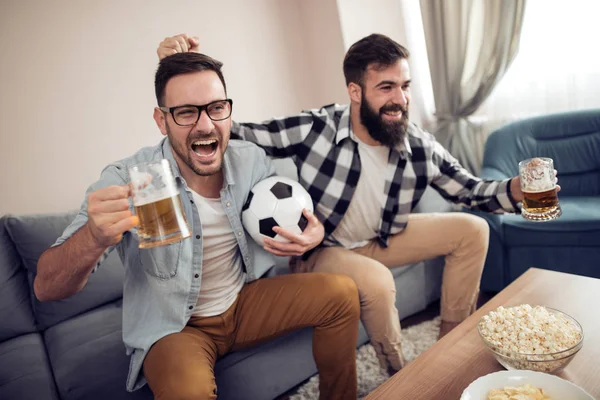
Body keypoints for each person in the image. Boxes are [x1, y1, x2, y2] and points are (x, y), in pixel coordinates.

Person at [157, 33, 558, 374]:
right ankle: (399, 370)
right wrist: (183, 75)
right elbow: (235, 131)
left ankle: (448, 347)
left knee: (472, 228)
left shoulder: (417, 143)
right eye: (386, 87)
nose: (400, 98)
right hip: (325, 249)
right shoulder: (317, 127)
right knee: (378, 282)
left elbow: (470, 190)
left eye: (405, 86)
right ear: (355, 91)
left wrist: (517, 189)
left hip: (383, 237)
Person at [34, 52, 360, 400]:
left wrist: (314, 235)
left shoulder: (249, 159)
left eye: (216, 108)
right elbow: (46, 288)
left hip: (243, 301)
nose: (205, 125)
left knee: (341, 294)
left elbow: (294, 211)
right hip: (174, 328)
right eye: (187, 112)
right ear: (162, 120)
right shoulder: (129, 179)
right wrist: (94, 237)